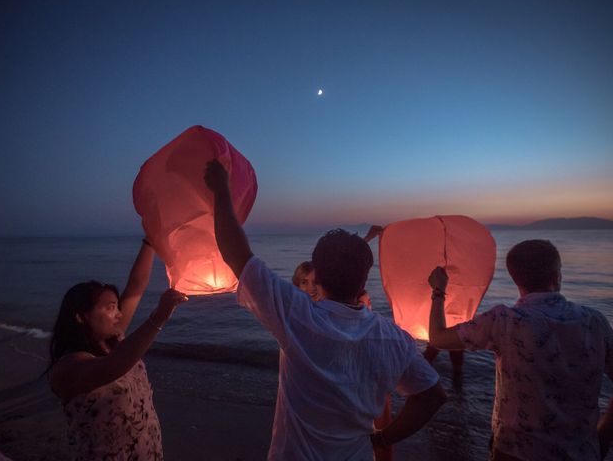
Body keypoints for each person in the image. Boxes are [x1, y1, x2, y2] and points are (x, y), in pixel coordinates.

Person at [204, 159, 446, 459]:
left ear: (316, 275)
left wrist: (221, 190)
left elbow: (236, 254)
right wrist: (383, 438)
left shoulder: (298, 317)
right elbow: (432, 396)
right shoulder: (393, 338)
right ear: (365, 278)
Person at [428, 239, 613, 461]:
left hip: (515, 453)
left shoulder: (504, 320)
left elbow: (438, 338)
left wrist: (438, 290)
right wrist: (602, 438)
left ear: (515, 279)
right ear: (556, 276)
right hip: (583, 454)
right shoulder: (595, 321)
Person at [47, 239, 187, 460]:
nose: (119, 313)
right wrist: (159, 316)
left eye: (117, 307)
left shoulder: (114, 340)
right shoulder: (68, 367)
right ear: (81, 317)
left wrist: (151, 240)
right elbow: (114, 366)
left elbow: (136, 287)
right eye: (111, 308)